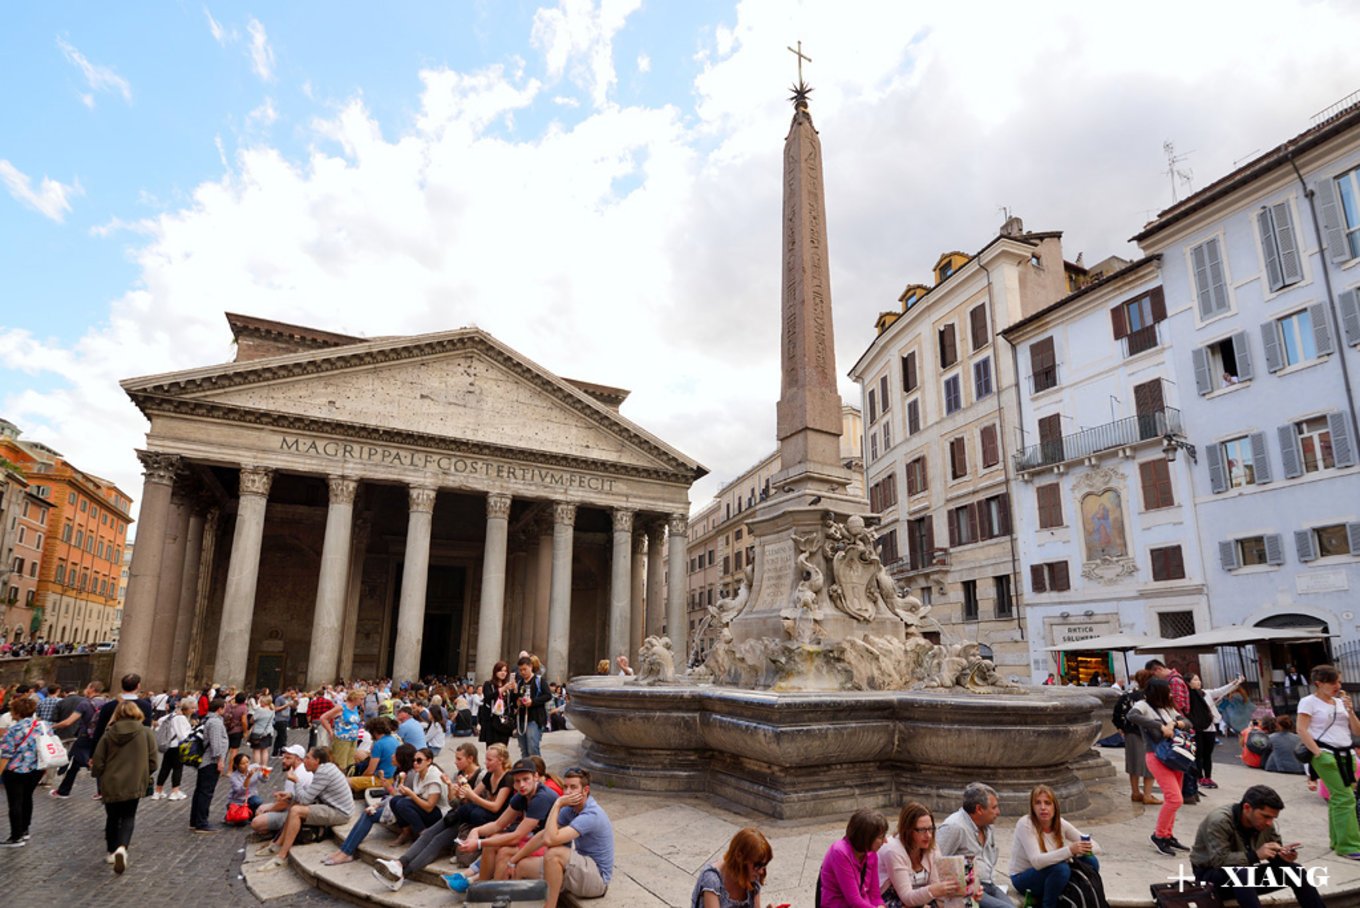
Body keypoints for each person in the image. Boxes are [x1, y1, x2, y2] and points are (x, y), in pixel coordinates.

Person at [374, 756, 554, 891]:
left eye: (525, 780)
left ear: (536, 777)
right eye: (518, 780)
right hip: (480, 820)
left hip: (547, 841)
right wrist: (476, 832)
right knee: (436, 834)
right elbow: (499, 823)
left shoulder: (540, 797)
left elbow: (515, 832)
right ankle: (484, 889)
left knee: (498, 847)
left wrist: (479, 841)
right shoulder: (518, 793)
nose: (521, 784)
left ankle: (488, 890)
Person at [374, 742, 510, 883]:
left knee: (437, 840)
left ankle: (403, 874)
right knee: (429, 833)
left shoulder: (502, 778)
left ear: (500, 760)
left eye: (489, 759)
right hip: (464, 814)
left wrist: (468, 795)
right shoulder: (485, 775)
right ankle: (399, 863)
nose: (486, 762)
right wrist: (457, 790)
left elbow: (494, 807)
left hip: (480, 821)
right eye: (486, 759)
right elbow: (465, 799)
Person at [1189, 784, 1325, 907]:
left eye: (1273, 818)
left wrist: (1283, 857)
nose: (1269, 823)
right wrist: (1255, 855)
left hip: (1244, 879)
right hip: (1209, 880)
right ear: (1247, 808)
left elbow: (1273, 855)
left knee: (1296, 871)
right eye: (1266, 817)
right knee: (1241, 873)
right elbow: (1218, 860)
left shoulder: (1266, 824)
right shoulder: (1219, 820)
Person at [507, 767, 614, 908]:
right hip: (579, 869)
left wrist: (557, 804)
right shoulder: (570, 809)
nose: (567, 792)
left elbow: (550, 840)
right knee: (522, 867)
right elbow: (543, 835)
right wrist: (513, 861)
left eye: (573, 787)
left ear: (585, 790)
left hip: (597, 880)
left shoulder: (591, 815)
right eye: (565, 787)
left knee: (554, 854)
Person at [1296, 663, 1360, 859]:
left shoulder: (1340, 702)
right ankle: (1349, 845)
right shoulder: (1309, 702)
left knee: (1338, 798)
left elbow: (1356, 730)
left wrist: (1350, 711)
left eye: (1339, 681)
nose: (1337, 685)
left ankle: (1338, 840)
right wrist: (1317, 753)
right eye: (1333, 682)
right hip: (1325, 753)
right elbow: (1301, 729)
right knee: (1345, 798)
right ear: (1319, 683)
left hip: (1346, 753)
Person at [256, 746, 356, 871]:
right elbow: (311, 793)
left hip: (340, 812)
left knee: (296, 810)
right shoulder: (325, 769)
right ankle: (276, 845)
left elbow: (304, 800)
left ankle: (282, 855)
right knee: (294, 806)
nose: (305, 761)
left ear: (317, 761)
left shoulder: (323, 773)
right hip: (335, 807)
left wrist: (296, 781)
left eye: (308, 758)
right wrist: (291, 795)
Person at [91, 699, 157, 873]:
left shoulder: (109, 733)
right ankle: (122, 847)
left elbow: (98, 761)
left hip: (111, 781)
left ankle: (112, 851)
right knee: (128, 816)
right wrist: (143, 773)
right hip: (134, 781)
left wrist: (99, 774)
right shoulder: (146, 733)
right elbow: (153, 761)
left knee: (112, 817)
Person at [1008, 785, 1101, 908]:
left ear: (1054, 806)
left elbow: (1096, 847)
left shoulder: (1060, 823)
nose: (1043, 808)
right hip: (1023, 878)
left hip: (1052, 872)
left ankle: (1088, 897)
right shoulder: (1025, 824)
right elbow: (1037, 861)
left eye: (1047, 803)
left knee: (1090, 860)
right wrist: (1069, 851)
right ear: (1032, 807)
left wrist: (1077, 851)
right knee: (1061, 869)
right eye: (1038, 803)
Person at [1129, 676, 1192, 855]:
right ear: (1159, 693)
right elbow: (1131, 715)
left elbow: (1188, 723)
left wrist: (1174, 723)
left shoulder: (1167, 707)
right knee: (1175, 799)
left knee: (1176, 797)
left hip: (1175, 756)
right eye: (1168, 691)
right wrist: (1160, 725)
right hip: (1157, 755)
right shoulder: (1143, 705)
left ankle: (1167, 835)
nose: (1171, 694)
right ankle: (1158, 835)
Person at [877, 801, 971, 908]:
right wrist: (934, 890)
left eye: (931, 828)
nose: (929, 835)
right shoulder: (893, 850)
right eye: (922, 830)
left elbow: (938, 885)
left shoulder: (931, 846)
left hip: (921, 899)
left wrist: (966, 892)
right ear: (908, 831)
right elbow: (907, 897)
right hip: (893, 900)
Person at [936, 783, 1010, 908]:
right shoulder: (954, 827)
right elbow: (935, 862)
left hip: (989, 885)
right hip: (967, 890)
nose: (998, 812)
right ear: (979, 809)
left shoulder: (988, 826)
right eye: (994, 807)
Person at [819, 807, 888, 908]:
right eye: (881, 837)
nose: (885, 841)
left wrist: (880, 905)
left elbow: (875, 895)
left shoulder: (871, 854)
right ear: (866, 837)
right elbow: (854, 900)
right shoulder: (840, 852)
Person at [0, 694, 46, 845]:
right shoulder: (42, 726)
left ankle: (16, 835)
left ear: (18, 713)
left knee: (15, 802)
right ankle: (25, 830)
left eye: (12, 710)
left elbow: (6, 755)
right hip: (36, 768)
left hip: (16, 770)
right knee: (27, 798)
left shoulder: (13, 730)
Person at [692, 826, 774, 908]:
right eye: (757, 865)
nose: (761, 871)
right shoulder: (712, 879)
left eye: (764, 865)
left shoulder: (752, 878)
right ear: (739, 856)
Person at [1188, 672, 1243, 789]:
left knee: (1207, 754)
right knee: (1199, 754)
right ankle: (1199, 777)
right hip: (1197, 728)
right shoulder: (1188, 696)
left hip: (1210, 727)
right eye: (1195, 680)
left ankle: (1207, 777)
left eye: (1198, 679)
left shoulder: (1206, 693)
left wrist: (1234, 683)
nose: (1198, 682)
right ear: (1188, 683)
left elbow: (1221, 691)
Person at [50, 681, 103, 799]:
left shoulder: (85, 704)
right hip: (101, 737)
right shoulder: (107, 703)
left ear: (92, 689)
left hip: (85, 737)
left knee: (74, 761)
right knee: (81, 763)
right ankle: (101, 791)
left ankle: (63, 791)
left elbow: (68, 722)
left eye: (87, 687)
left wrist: (52, 726)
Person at [251, 744, 313, 838]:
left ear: (298, 759)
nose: (284, 761)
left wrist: (269, 810)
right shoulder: (297, 771)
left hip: (297, 811)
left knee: (256, 822)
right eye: (284, 757)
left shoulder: (296, 775)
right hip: (296, 806)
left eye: (288, 758)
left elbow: (286, 803)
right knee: (260, 809)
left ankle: (279, 831)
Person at [191, 697, 229, 833]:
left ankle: (195, 820)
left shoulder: (208, 719)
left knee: (200, 791)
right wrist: (220, 760)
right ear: (219, 709)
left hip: (206, 761)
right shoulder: (215, 723)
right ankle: (201, 822)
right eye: (224, 707)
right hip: (210, 762)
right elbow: (216, 744)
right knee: (206, 792)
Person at [1120, 669, 1158, 806]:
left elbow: (1117, 712)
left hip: (1131, 733)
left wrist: (1122, 728)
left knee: (1133, 763)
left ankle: (1135, 793)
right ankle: (1147, 795)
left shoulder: (1128, 694)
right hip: (1149, 733)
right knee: (1151, 763)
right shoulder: (1151, 696)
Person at [151, 698, 196, 800]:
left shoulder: (173, 715)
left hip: (168, 745)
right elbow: (182, 736)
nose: (194, 710)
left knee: (165, 768)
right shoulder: (182, 718)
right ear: (186, 708)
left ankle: (158, 791)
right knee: (177, 769)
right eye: (192, 708)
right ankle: (175, 792)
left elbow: (160, 721)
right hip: (177, 746)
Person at [513, 656, 552, 759]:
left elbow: (548, 695)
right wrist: (517, 700)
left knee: (533, 748)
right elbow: (517, 698)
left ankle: (537, 771)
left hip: (534, 718)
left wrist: (533, 702)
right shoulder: (520, 682)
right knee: (523, 749)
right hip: (521, 719)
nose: (523, 672)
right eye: (520, 670)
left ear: (530, 667)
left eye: (525, 669)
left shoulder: (539, 680)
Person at [319, 688, 364, 773]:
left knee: (350, 763)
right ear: (354, 698)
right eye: (361, 699)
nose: (362, 701)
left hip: (353, 739)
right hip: (342, 738)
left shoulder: (355, 708)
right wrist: (330, 731)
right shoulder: (341, 708)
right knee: (340, 763)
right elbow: (323, 718)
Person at [349, 717, 398, 792]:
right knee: (359, 754)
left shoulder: (379, 744)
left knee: (346, 781)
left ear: (374, 731)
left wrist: (360, 779)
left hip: (380, 779)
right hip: (390, 777)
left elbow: (370, 771)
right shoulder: (393, 740)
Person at [479, 661, 517, 749]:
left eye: (505, 671)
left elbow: (513, 703)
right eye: (500, 670)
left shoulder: (508, 686)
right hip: (492, 721)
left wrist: (515, 690)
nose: (503, 673)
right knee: (491, 749)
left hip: (504, 722)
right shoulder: (488, 684)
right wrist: (503, 689)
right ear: (495, 671)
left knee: (503, 749)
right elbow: (488, 697)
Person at [226, 752, 267, 821]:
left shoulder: (254, 767)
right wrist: (248, 777)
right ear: (236, 765)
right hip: (238, 801)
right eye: (242, 763)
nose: (246, 765)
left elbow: (263, 780)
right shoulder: (234, 777)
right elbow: (241, 791)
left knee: (257, 801)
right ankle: (231, 813)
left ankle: (251, 815)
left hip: (251, 797)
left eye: (247, 762)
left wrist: (265, 775)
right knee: (241, 822)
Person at [246, 691, 276, 769]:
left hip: (258, 732)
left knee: (256, 750)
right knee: (265, 750)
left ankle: (256, 766)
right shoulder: (272, 710)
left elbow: (252, 720)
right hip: (268, 732)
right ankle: (264, 766)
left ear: (263, 702)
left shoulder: (260, 710)